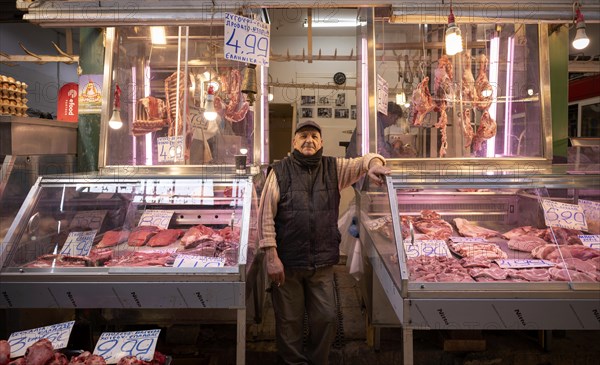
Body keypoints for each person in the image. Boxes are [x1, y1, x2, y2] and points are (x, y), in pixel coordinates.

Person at [258, 120, 391, 365]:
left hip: (322, 262)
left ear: (321, 142)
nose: (309, 140)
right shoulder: (279, 171)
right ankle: (294, 362)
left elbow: (366, 159)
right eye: (303, 136)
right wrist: (271, 256)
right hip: (287, 263)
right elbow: (265, 215)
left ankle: (318, 360)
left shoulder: (334, 168)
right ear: (294, 142)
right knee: (289, 321)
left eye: (314, 136)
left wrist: (375, 164)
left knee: (326, 317)